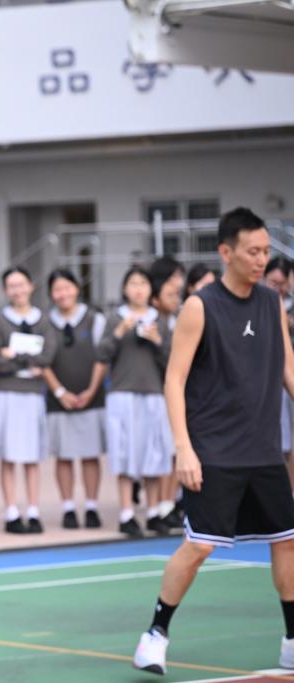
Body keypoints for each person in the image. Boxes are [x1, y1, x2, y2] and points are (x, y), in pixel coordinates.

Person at [133, 207, 294, 675]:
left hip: (264, 449)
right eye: (252, 252)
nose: (261, 260)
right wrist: (183, 447)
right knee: (199, 546)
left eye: (265, 251)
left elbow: (287, 365)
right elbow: (174, 380)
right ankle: (155, 635)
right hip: (215, 451)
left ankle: (291, 640)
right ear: (226, 252)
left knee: (286, 542)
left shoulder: (272, 302)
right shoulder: (200, 306)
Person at [98, 266, 173, 539]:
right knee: (125, 454)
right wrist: (120, 332)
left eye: (143, 283)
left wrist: (157, 340)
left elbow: (171, 361)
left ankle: (153, 512)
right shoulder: (114, 319)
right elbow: (102, 353)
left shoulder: (159, 320)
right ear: (124, 288)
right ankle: (126, 514)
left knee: (154, 455)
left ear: (150, 289)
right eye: (133, 283)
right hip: (122, 394)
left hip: (153, 393)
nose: (138, 289)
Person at [0, 267, 56, 534]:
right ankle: (12, 512)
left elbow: (47, 356)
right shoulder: (0, 320)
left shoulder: (43, 320)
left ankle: (33, 511)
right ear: (5, 291)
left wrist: (14, 355)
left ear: (31, 286)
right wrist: (24, 362)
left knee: (31, 456)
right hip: (7, 392)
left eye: (21, 284)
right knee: (9, 456)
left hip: (32, 393)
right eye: (12, 286)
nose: (18, 290)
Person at [42, 269, 107, 530]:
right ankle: (68, 508)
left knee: (90, 454)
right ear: (51, 294)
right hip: (59, 400)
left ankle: (91, 507)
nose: (63, 294)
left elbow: (103, 357)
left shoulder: (95, 319)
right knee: (64, 455)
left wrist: (91, 390)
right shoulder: (46, 323)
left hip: (91, 396)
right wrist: (60, 392)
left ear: (77, 289)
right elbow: (42, 362)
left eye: (67, 287)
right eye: (57, 289)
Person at [150, 256, 187, 530]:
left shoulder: (178, 320)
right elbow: (168, 361)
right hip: (159, 394)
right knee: (163, 452)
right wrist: (159, 342)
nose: (176, 294)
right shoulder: (154, 323)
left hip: (180, 394)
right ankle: (161, 507)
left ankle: (170, 503)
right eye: (170, 291)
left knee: (175, 452)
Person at [264, 257, 294, 489]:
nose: (278, 288)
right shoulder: (260, 305)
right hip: (269, 381)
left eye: (282, 283)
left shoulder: (289, 306)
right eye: (273, 283)